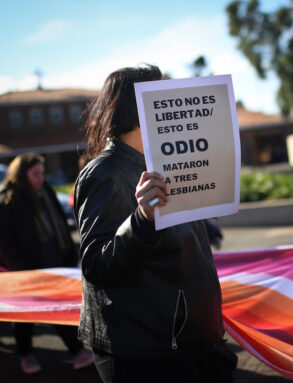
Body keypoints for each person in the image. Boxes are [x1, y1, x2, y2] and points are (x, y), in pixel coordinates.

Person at [73, 65, 236, 382]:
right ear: (137, 106)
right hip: (146, 351)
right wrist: (142, 219)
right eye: (161, 95)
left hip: (189, 341)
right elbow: (96, 265)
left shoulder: (161, 164)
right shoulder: (104, 173)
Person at [0, 153, 94, 375]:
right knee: (27, 315)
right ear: (22, 174)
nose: (41, 178)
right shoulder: (9, 199)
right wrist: (21, 269)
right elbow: (6, 240)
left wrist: (70, 254)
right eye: (35, 174)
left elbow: (60, 224)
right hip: (27, 267)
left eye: (42, 173)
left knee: (54, 306)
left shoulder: (45, 191)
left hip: (54, 258)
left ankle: (77, 352)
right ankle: (26, 356)